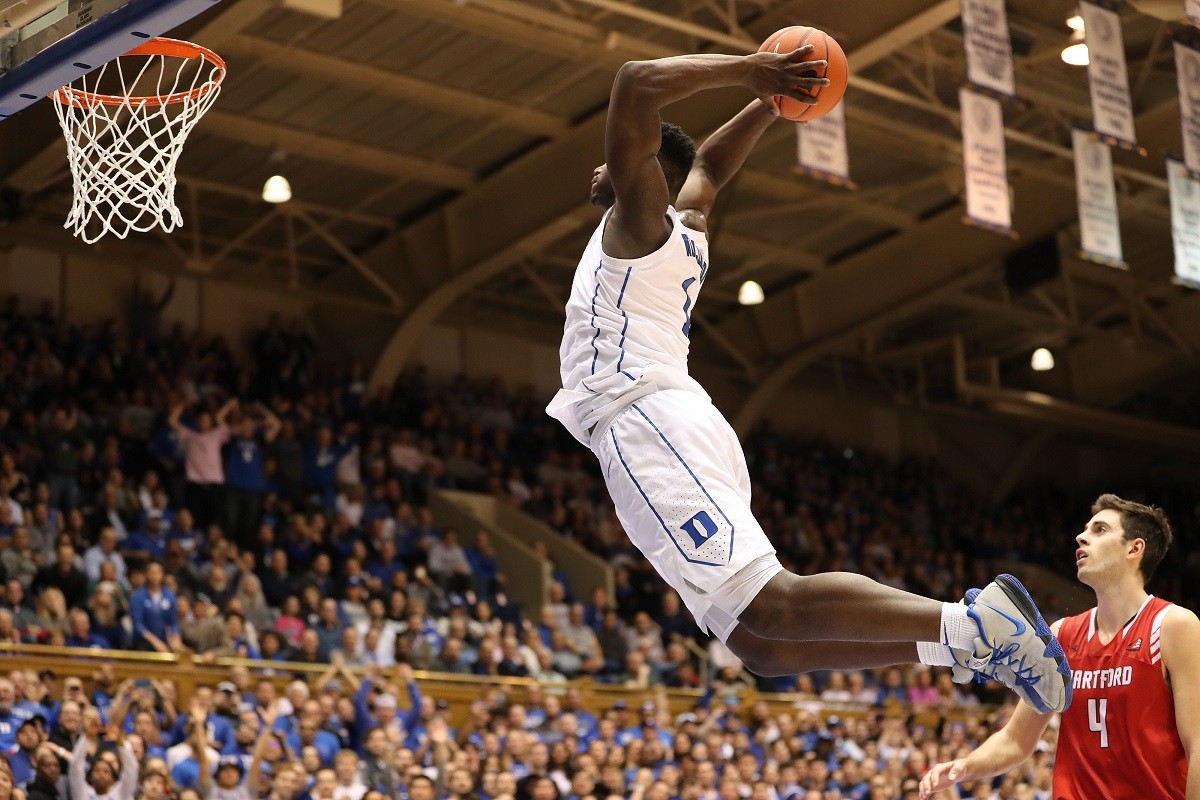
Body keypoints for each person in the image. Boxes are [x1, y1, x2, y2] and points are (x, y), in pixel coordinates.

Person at [544, 48, 1070, 713]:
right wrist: (769, 104)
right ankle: (957, 644)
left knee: (774, 603)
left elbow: (634, 82)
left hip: (644, 420)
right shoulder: (689, 221)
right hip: (676, 416)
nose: (602, 165)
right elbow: (710, 164)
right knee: (760, 645)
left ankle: (974, 622)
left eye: (617, 159)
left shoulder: (640, 216)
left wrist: (751, 73)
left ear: (653, 171)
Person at [920, 494, 1200, 799]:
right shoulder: (1062, 635)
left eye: (1100, 530)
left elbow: (1197, 743)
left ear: (1134, 548)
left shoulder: (1174, 626)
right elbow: (1017, 739)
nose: (1081, 537)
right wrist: (965, 766)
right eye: (1085, 529)